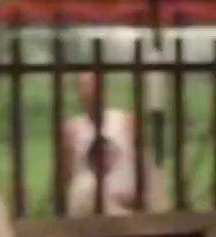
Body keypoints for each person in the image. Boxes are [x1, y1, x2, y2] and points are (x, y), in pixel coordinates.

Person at [62, 72, 170, 216]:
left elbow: (144, 165)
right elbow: (66, 178)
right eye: (85, 86)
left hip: (126, 204)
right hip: (88, 209)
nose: (91, 92)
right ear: (79, 93)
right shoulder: (73, 129)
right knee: (84, 189)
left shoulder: (125, 121)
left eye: (94, 85)